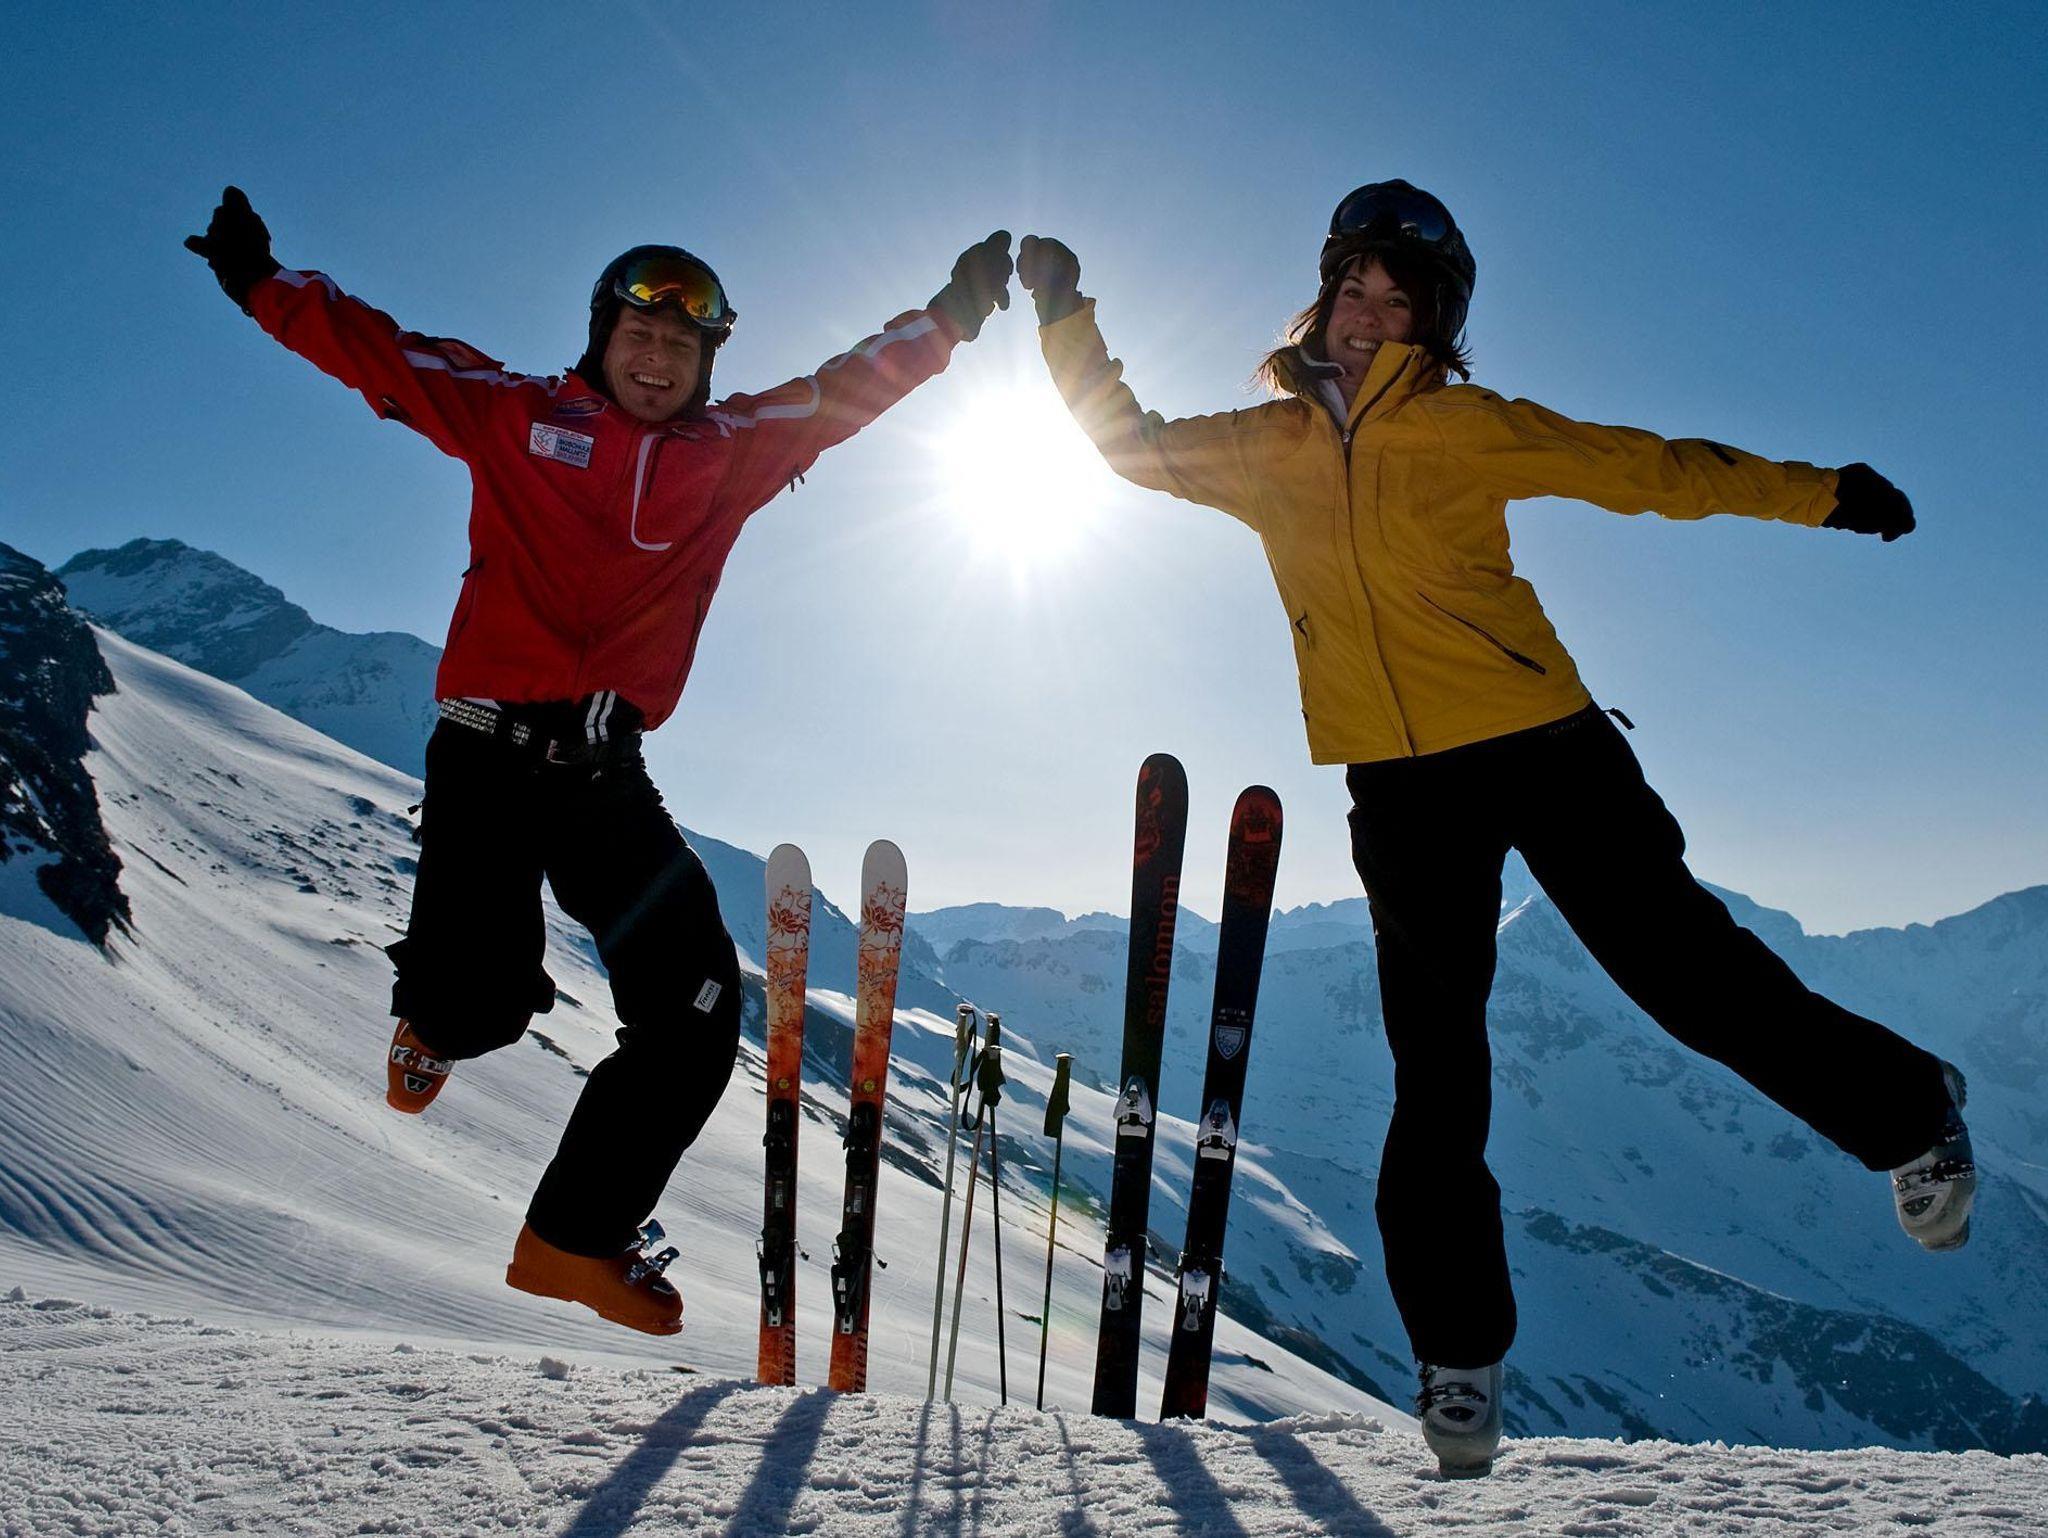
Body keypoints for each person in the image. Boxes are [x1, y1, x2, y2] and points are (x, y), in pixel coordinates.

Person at [1017, 183, 1974, 1474]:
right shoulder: (1263, 446)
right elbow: (1123, 442)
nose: (1366, 315)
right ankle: (1457, 1354)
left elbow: (1645, 468)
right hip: (1399, 789)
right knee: (1435, 1071)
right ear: (1321, 297)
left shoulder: (1462, 425)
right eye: (1352, 289)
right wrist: (1064, 313)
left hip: (1546, 749)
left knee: (1688, 977)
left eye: (1396, 299)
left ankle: (1911, 1113)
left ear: (1433, 322)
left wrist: (1818, 493)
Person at [187, 186, 1012, 1338]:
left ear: (707, 362)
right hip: (485, 752)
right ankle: (435, 1021)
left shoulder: (733, 451)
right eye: (638, 332)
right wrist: (259, 283)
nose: (657, 356)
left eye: (682, 341)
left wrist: (955, 312)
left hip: (602, 774)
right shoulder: (515, 413)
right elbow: (384, 351)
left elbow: (847, 386)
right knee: (484, 1002)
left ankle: (572, 1239)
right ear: (600, 337)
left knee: (697, 1009)